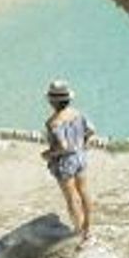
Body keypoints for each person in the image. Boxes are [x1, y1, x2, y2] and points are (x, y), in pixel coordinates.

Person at [42, 79, 96, 242]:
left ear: (52, 101)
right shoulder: (78, 114)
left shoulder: (53, 122)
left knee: (71, 197)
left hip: (65, 162)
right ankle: (88, 227)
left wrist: (49, 154)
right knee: (84, 191)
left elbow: (63, 146)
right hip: (80, 157)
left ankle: (79, 230)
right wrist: (83, 145)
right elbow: (92, 130)